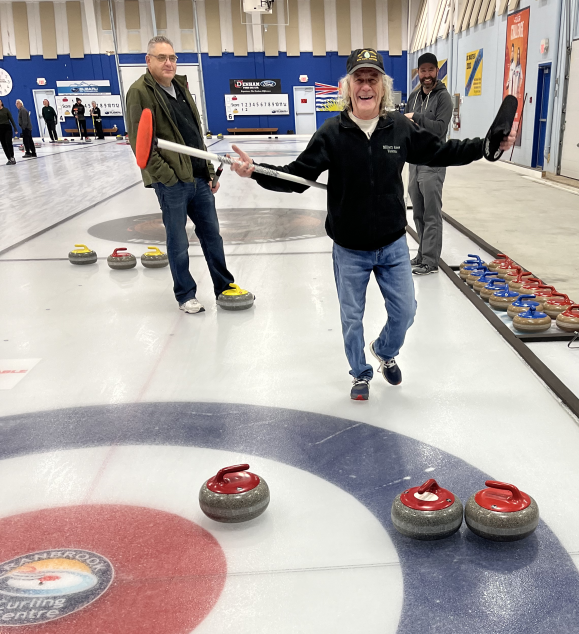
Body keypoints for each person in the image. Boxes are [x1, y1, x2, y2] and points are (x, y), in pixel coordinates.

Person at [230, 48, 514, 401]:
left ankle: (384, 349)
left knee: (406, 311)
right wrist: (256, 171)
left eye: (373, 79)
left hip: (392, 243)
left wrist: (484, 146)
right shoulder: (332, 133)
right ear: (348, 87)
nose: (366, 86)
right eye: (359, 79)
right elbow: (297, 177)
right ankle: (360, 373)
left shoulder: (399, 127)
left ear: (383, 87)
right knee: (352, 318)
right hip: (349, 247)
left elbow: (441, 151)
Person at [126, 35, 240, 314]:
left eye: (172, 57)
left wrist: (209, 170)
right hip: (172, 183)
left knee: (212, 236)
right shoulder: (139, 92)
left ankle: (224, 287)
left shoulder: (181, 86)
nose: (169, 63)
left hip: (199, 177)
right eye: (161, 58)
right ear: (148, 60)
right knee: (178, 242)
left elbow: (195, 135)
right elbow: (139, 141)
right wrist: (167, 176)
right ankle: (185, 294)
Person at [405, 52, 454, 276]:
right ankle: (422, 253)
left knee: (431, 213)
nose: (426, 75)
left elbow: (440, 129)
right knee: (418, 211)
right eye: (422, 70)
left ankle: (431, 261)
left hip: (433, 161)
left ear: (437, 71)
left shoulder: (443, 98)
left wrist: (416, 118)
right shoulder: (414, 96)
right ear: (418, 73)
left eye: (430, 70)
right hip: (415, 161)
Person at [0, 99, 17, 164]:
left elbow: (11, 119)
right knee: (3, 144)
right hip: (0, 129)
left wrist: (15, 128)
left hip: (7, 127)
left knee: (8, 142)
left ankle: (12, 157)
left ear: (1, 103)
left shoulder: (6, 110)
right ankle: (9, 158)